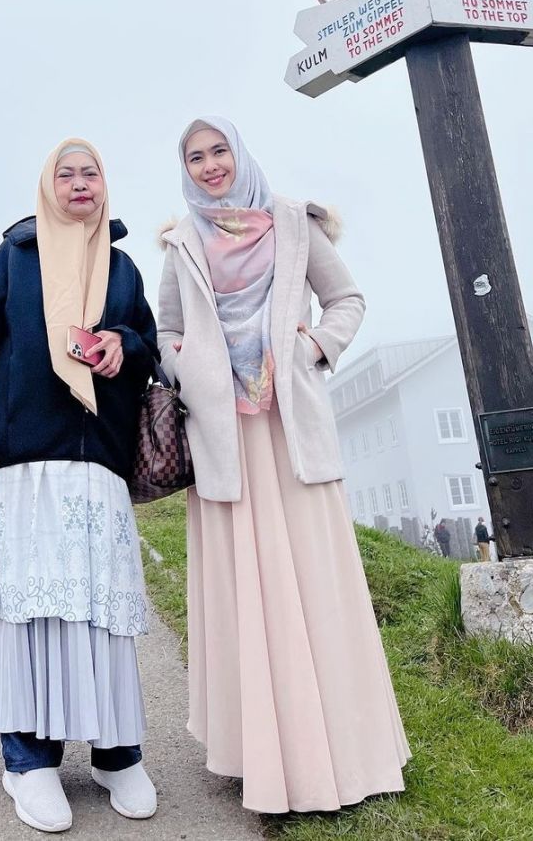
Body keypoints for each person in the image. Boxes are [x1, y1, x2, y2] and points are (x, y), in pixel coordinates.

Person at [157, 117, 409, 815]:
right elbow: (166, 328)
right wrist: (185, 366)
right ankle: (256, 754)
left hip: (290, 433)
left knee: (316, 586)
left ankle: (342, 751)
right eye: (196, 157)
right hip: (225, 444)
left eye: (219, 152)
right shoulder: (181, 242)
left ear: (241, 155)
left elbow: (347, 299)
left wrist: (314, 348)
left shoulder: (295, 224)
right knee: (247, 593)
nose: (210, 166)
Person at [0, 139, 160, 833]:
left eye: (89, 173)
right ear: (47, 187)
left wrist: (123, 342)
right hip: (24, 468)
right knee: (29, 615)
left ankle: (115, 752)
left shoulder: (123, 268)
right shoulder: (14, 261)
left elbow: (148, 345)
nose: (78, 184)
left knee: (98, 610)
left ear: (105, 186)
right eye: (65, 174)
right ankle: (27, 760)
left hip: (97, 465)